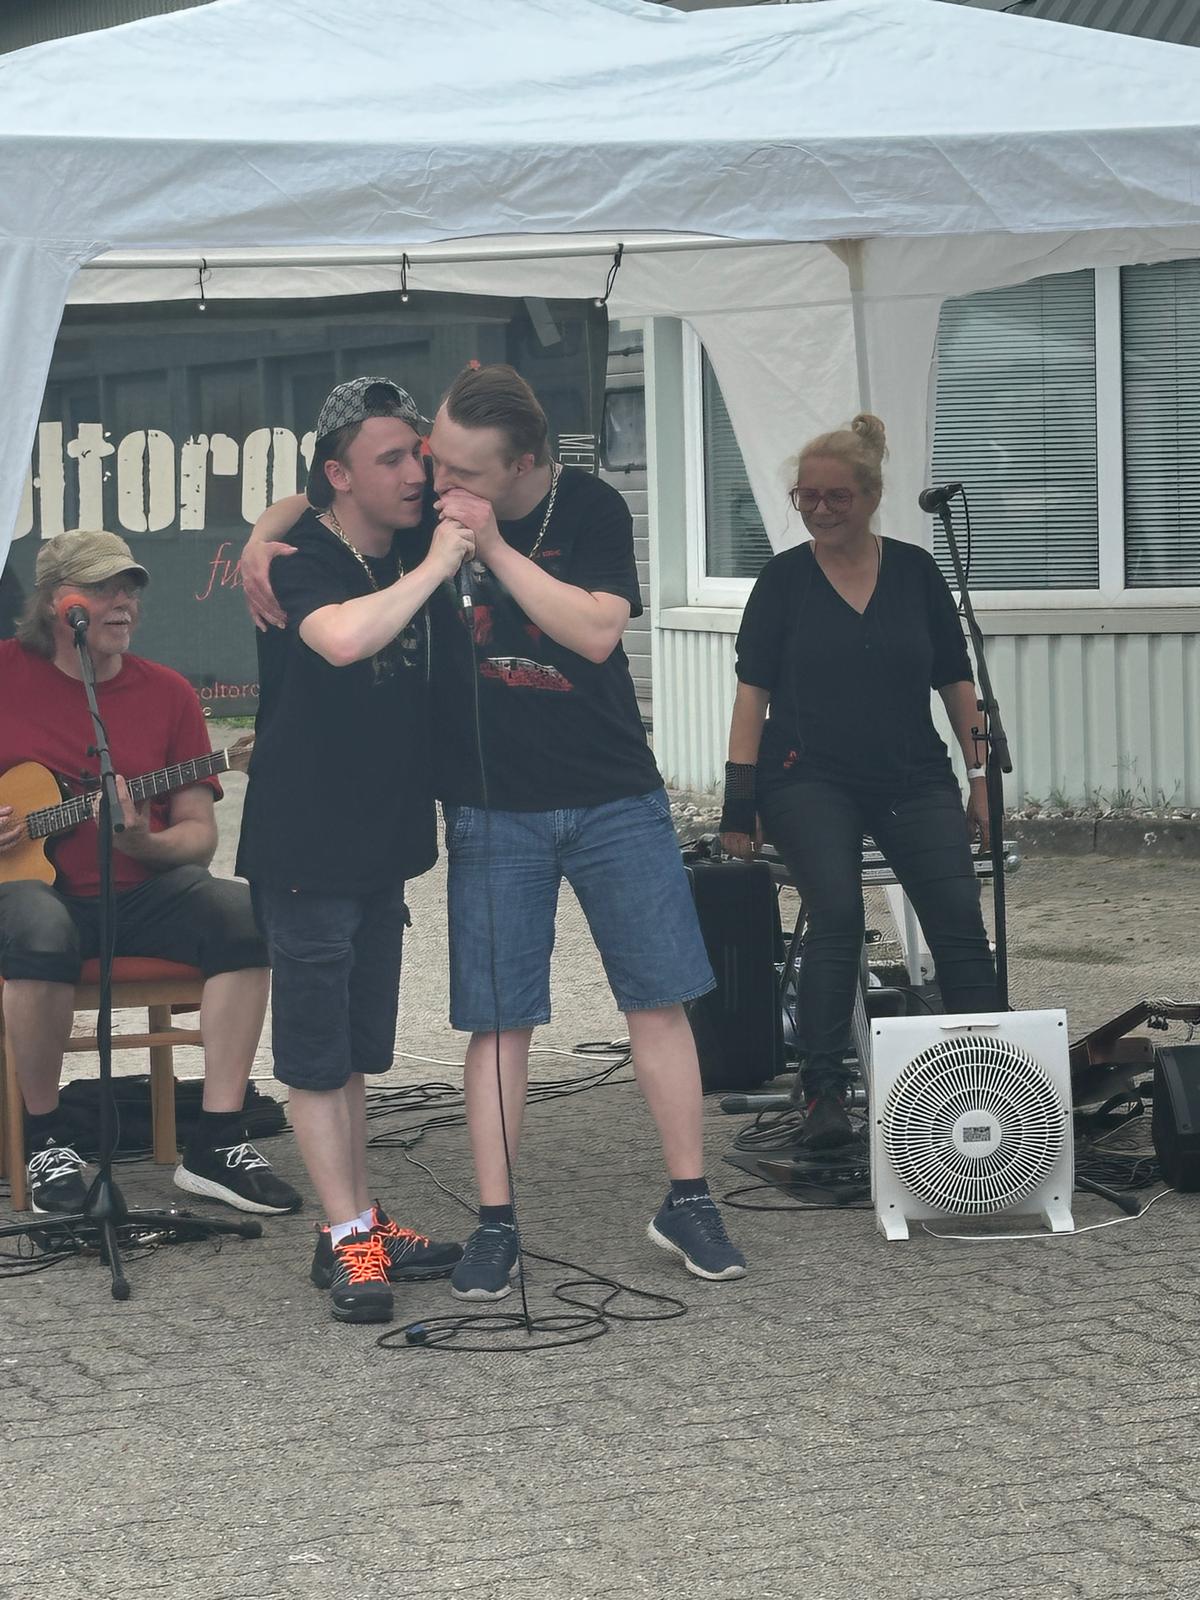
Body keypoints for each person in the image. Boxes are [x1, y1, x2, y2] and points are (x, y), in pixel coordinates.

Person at [243, 364, 746, 1296]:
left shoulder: (584, 508)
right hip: (468, 808)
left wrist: (491, 549)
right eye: (427, 459)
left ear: (522, 463)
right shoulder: (416, 521)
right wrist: (257, 540)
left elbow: (595, 633)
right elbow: (323, 514)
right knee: (484, 1020)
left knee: (656, 997)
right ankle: (477, 1222)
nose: (435, 481)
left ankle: (689, 1198)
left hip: (605, 795)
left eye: (459, 470)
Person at [236, 377, 466, 1323]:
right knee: (315, 1055)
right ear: (338, 475)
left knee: (357, 1051)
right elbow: (339, 640)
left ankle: (356, 1222)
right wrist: (436, 567)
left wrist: (260, 526)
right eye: (391, 459)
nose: (415, 473)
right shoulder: (302, 561)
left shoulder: (402, 537)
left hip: (382, 843)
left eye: (418, 454)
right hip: (306, 844)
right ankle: (347, 1237)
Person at [0, 530, 300, 1216]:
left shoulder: (167, 693)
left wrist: (143, 841)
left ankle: (217, 1139)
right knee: (41, 927)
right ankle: (47, 1139)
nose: (122, 603)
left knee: (245, 916)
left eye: (129, 589)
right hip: (24, 897)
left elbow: (197, 838)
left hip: (141, 894)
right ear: (54, 602)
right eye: (102, 589)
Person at [720, 414, 998, 1148]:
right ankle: (823, 1092)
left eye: (835, 497)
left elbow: (957, 682)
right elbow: (751, 698)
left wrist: (981, 779)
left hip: (912, 775)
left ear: (872, 496)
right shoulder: (783, 582)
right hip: (805, 776)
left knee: (958, 916)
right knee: (838, 912)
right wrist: (738, 804)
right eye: (806, 497)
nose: (818, 510)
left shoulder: (916, 572)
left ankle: (993, 1084)